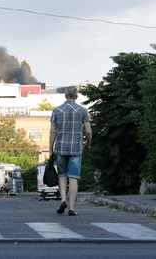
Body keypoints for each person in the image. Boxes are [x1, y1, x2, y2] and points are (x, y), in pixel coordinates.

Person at [49, 86, 92, 216]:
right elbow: (88, 132)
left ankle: (63, 200)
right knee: (73, 177)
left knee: (62, 175)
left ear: (65, 96)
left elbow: (52, 131)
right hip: (76, 148)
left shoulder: (57, 111)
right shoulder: (82, 111)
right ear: (77, 97)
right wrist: (88, 144)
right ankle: (72, 208)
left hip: (61, 148)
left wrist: (51, 149)